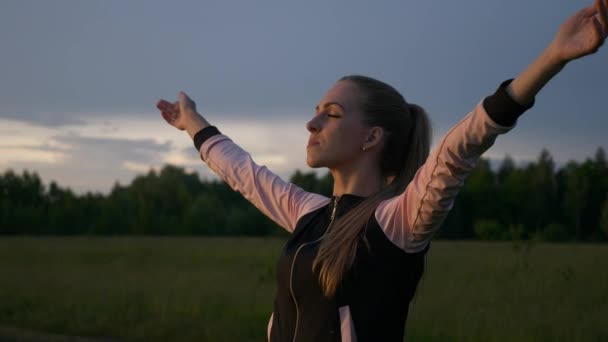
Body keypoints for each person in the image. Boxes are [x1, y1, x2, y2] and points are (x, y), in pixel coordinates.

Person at [157, 1, 606, 341]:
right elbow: (243, 172)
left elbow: (460, 147)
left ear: (372, 137)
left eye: (331, 114)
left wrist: (553, 57)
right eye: (315, 112)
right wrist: (191, 121)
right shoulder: (309, 213)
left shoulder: (398, 222)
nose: (311, 123)